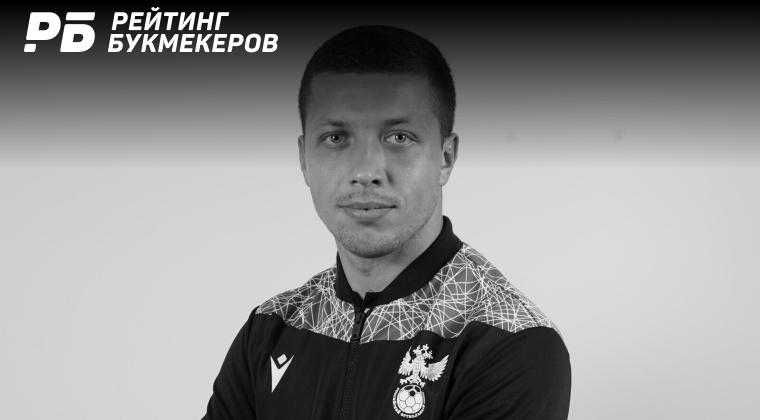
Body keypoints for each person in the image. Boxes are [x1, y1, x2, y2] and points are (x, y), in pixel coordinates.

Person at [202, 25, 571, 420]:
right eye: (336, 137)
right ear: (304, 159)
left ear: (445, 158)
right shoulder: (270, 328)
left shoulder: (508, 339)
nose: (365, 172)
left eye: (398, 137)